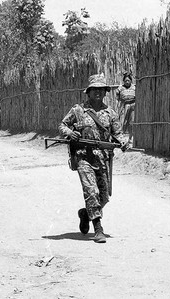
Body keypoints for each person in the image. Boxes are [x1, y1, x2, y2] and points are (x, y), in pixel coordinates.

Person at [58, 74, 127, 243]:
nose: (98, 92)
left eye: (101, 90)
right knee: (91, 191)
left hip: (102, 158)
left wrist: (123, 143)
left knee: (103, 197)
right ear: (88, 92)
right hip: (83, 157)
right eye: (94, 89)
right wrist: (70, 133)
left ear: (105, 93)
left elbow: (118, 134)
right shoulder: (78, 110)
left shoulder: (110, 113)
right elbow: (62, 126)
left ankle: (85, 214)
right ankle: (98, 229)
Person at [116, 72, 136, 143]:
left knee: (131, 122)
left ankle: (131, 138)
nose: (127, 82)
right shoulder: (120, 88)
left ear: (131, 81)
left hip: (133, 106)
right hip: (124, 106)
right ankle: (121, 138)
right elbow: (117, 98)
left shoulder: (134, 87)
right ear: (123, 81)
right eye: (125, 81)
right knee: (122, 122)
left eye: (128, 80)